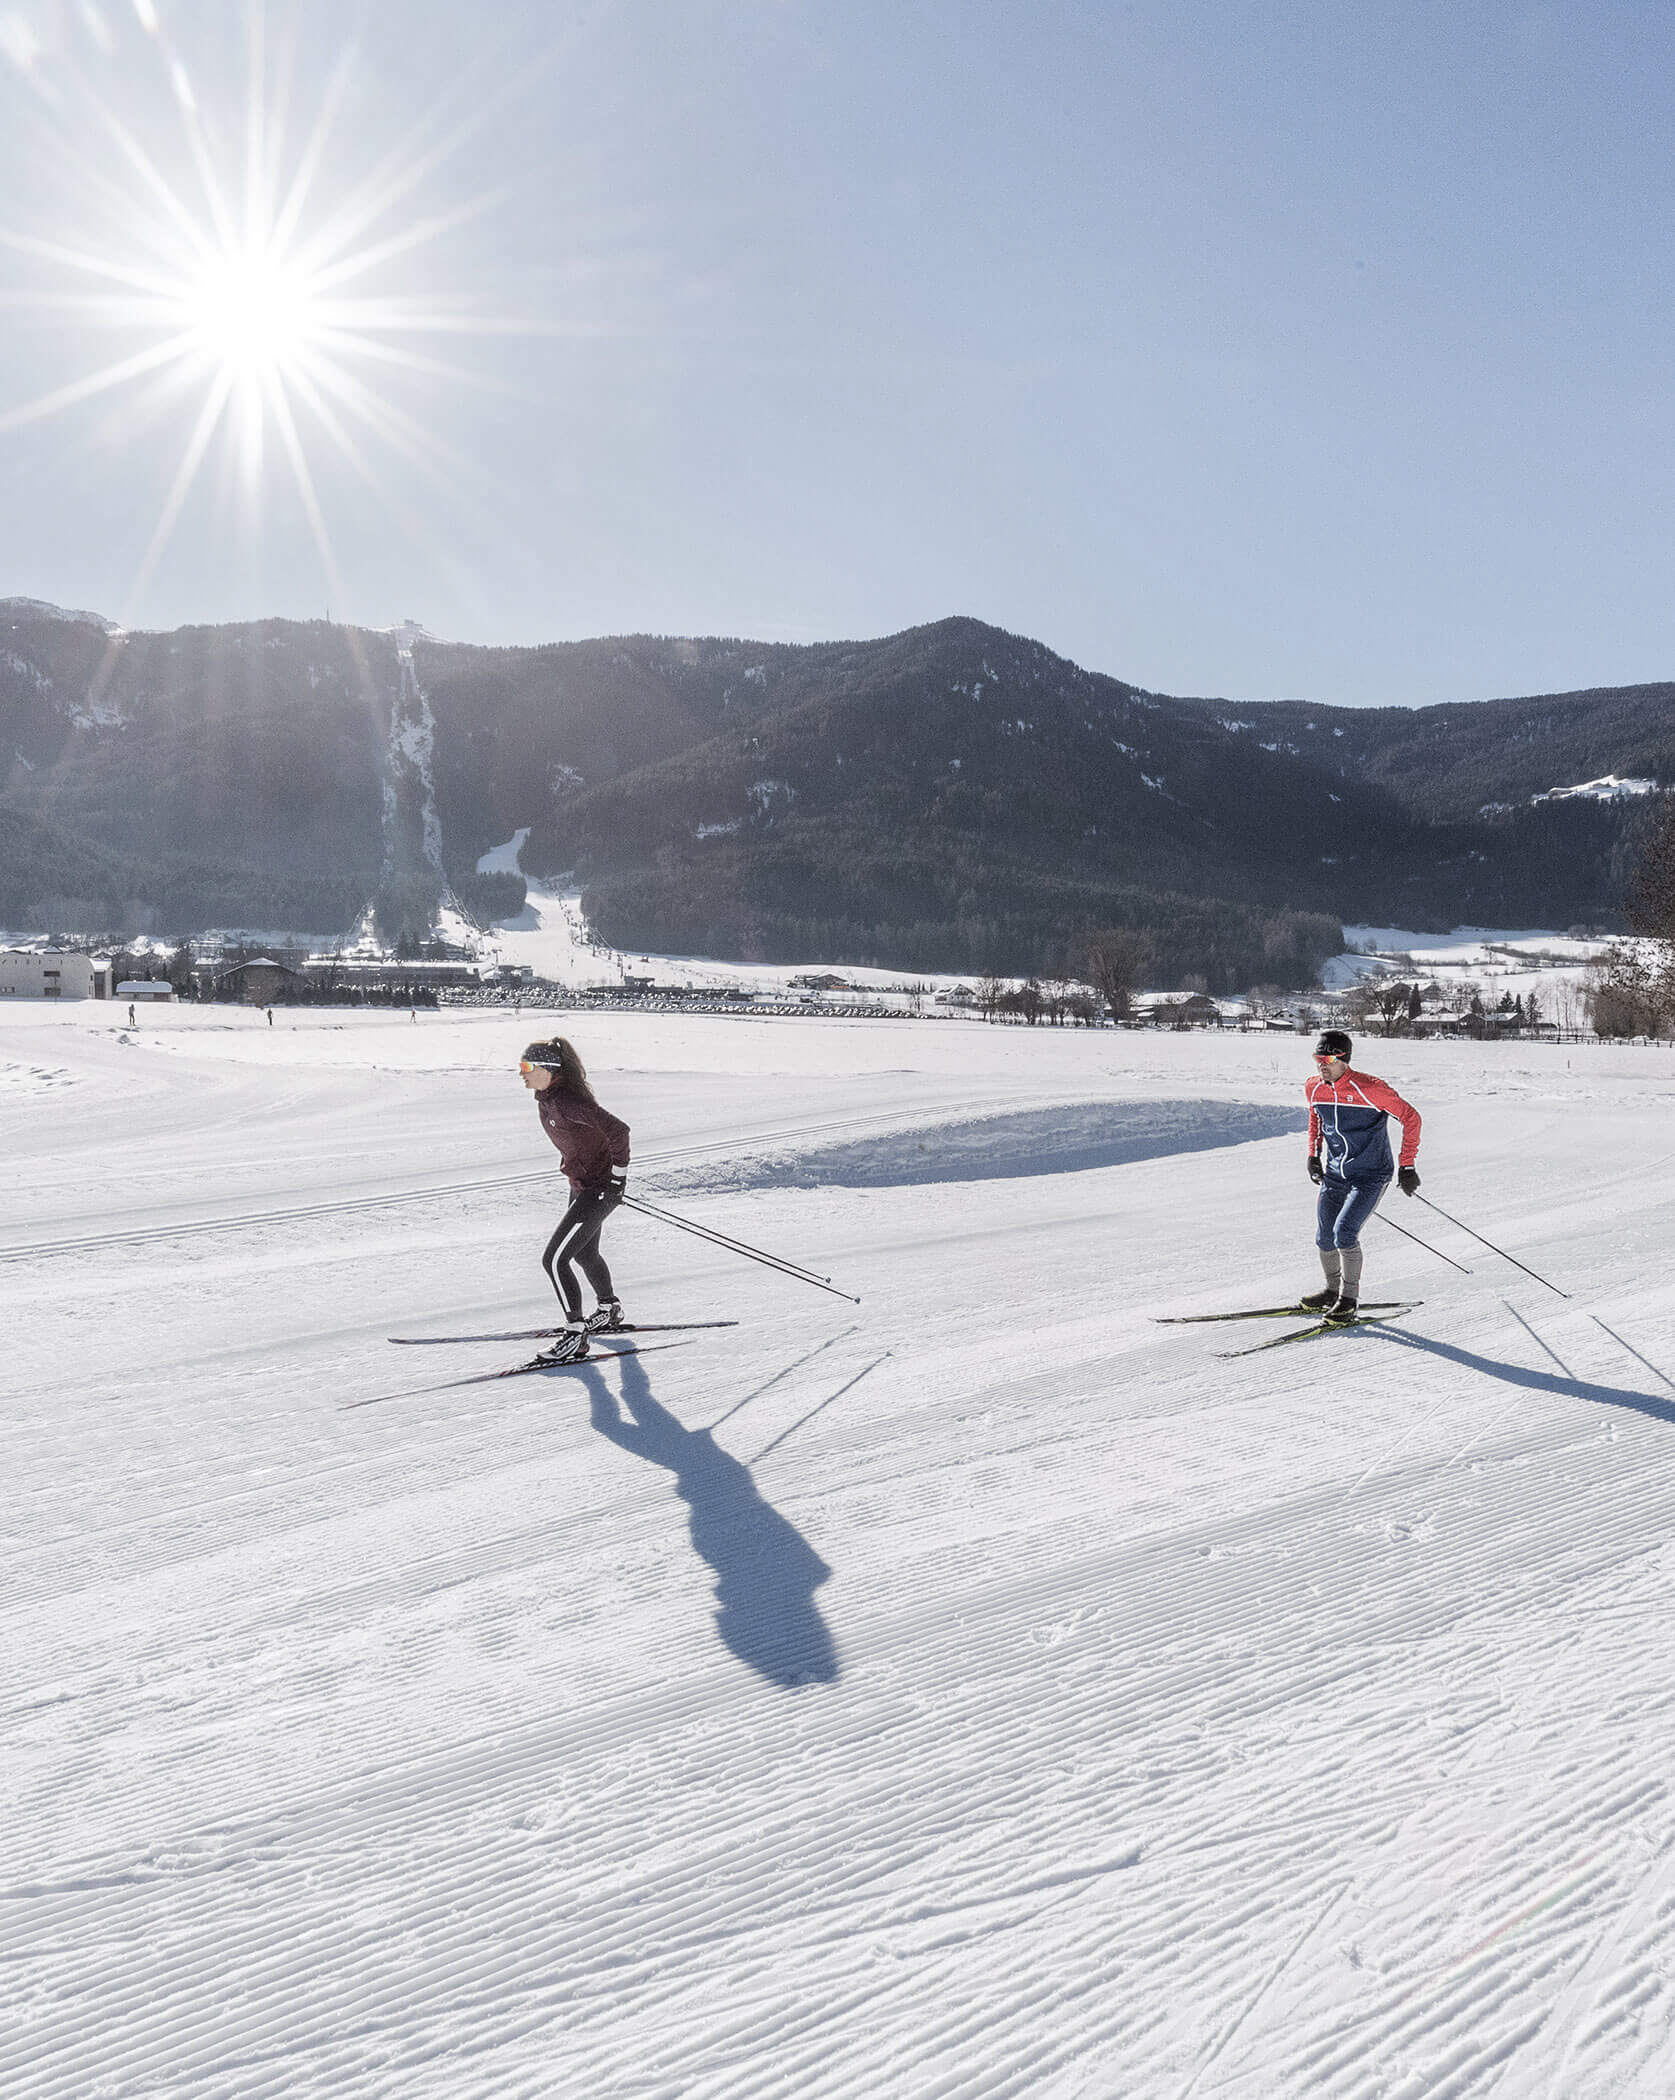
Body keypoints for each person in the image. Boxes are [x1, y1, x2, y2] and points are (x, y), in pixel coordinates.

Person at [520, 1038, 631, 1363]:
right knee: (584, 1252)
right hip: (584, 1186)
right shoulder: (548, 1100)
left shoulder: (568, 1102)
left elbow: (619, 1131)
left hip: (599, 1189)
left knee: (554, 1260)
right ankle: (609, 1308)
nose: (522, 1073)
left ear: (548, 1070)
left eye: (527, 1066)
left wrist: (617, 1179)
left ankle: (575, 1334)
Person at [1303, 1029, 1421, 1322]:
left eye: (1328, 1059)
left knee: (1344, 1233)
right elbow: (1316, 1116)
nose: (1321, 1065)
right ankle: (1331, 1291)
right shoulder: (1314, 1088)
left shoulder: (1371, 1088)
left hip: (1371, 1174)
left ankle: (1348, 1300)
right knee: (1324, 1237)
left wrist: (1407, 1165)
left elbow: (1411, 1118)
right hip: (1335, 1174)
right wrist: (1313, 1155)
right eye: (1318, 1058)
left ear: (1344, 1059)